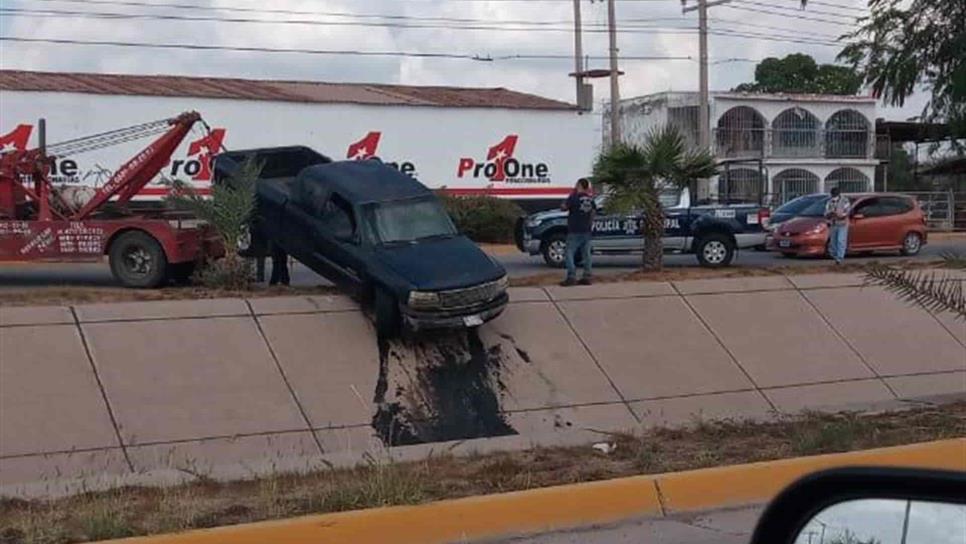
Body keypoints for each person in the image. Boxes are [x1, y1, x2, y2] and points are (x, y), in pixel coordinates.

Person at [561, 178, 597, 286]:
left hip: (574, 230)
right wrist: (589, 224)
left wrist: (567, 199)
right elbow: (593, 212)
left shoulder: (574, 197)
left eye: (577, 184)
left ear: (580, 185)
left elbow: (563, 208)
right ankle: (587, 276)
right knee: (586, 254)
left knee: (569, 253)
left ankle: (571, 277)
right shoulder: (591, 199)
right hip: (586, 230)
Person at [824, 186, 851, 265]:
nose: (834, 197)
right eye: (833, 195)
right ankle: (835, 256)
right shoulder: (829, 202)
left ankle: (839, 258)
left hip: (842, 223)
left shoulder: (845, 201)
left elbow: (847, 212)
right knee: (833, 242)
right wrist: (829, 214)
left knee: (840, 240)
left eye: (835, 195)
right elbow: (826, 212)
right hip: (833, 224)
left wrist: (840, 215)